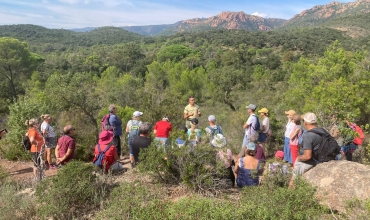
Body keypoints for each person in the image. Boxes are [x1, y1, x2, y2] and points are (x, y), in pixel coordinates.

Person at [291, 113, 322, 182]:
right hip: (318, 159)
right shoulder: (321, 131)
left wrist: (298, 158)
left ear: (305, 122)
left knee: (293, 180)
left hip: (308, 162)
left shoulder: (308, 135)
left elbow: (307, 156)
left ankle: (291, 191)